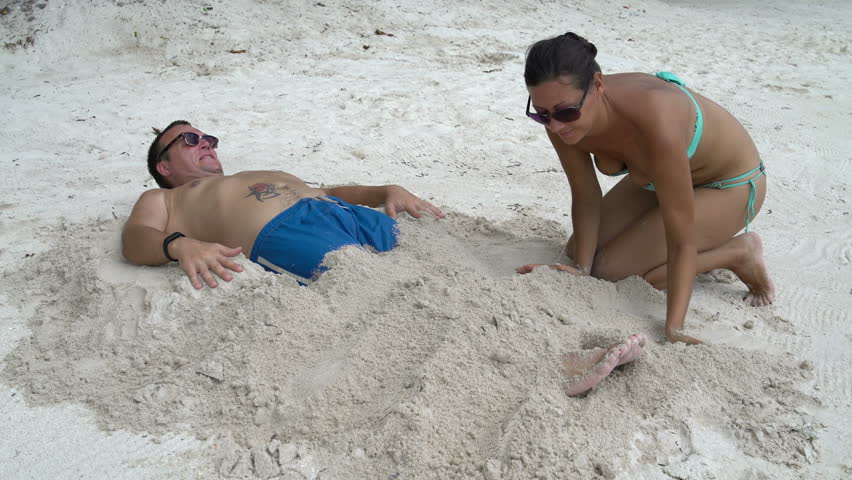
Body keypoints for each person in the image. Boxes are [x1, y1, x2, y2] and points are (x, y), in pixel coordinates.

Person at [516, 33, 775, 345]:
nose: (555, 126)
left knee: (612, 270)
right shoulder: (559, 111)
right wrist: (582, 269)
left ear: (597, 85)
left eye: (565, 112)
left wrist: (674, 328)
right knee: (579, 250)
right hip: (659, 178)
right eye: (540, 114)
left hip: (727, 186)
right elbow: (585, 194)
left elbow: (680, 238)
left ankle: (738, 252)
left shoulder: (655, 123)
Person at [122, 120, 445, 289]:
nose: (204, 142)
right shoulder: (165, 197)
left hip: (337, 210)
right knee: (372, 284)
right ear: (163, 167)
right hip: (282, 232)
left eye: (208, 139)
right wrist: (180, 246)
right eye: (189, 140)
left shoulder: (247, 175)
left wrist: (385, 190)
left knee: (434, 265)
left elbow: (327, 189)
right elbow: (135, 237)